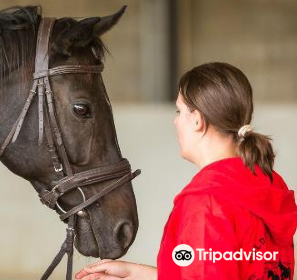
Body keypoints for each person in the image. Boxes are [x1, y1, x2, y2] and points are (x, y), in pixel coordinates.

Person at [75, 62, 297, 280]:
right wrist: (138, 275)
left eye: (179, 111)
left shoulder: (206, 203)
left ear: (198, 120)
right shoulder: (267, 185)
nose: (175, 121)